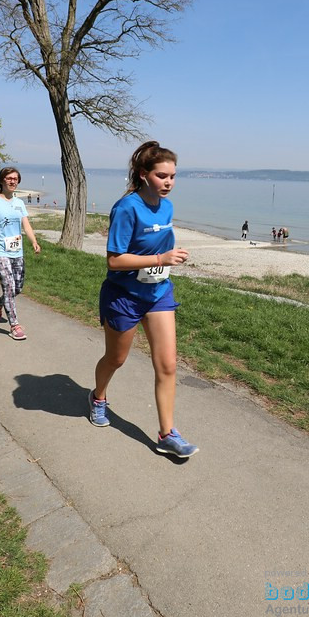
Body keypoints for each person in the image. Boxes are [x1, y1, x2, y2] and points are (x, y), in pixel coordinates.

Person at [90, 140, 198, 458]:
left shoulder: (167, 206)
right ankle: (98, 397)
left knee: (167, 364)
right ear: (143, 174)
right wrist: (161, 258)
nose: (169, 182)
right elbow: (114, 260)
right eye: (162, 176)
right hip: (124, 295)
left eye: (173, 176)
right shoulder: (126, 208)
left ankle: (167, 434)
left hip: (158, 292)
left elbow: (161, 246)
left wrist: (168, 259)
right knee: (116, 359)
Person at [0, 167, 41, 340]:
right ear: (1, 181)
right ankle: (14, 325)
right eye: (9, 178)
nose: (13, 181)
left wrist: (34, 241)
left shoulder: (19, 203)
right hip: (0, 251)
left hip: (17, 251)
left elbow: (26, 224)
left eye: (15, 179)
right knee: (9, 286)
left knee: (17, 288)